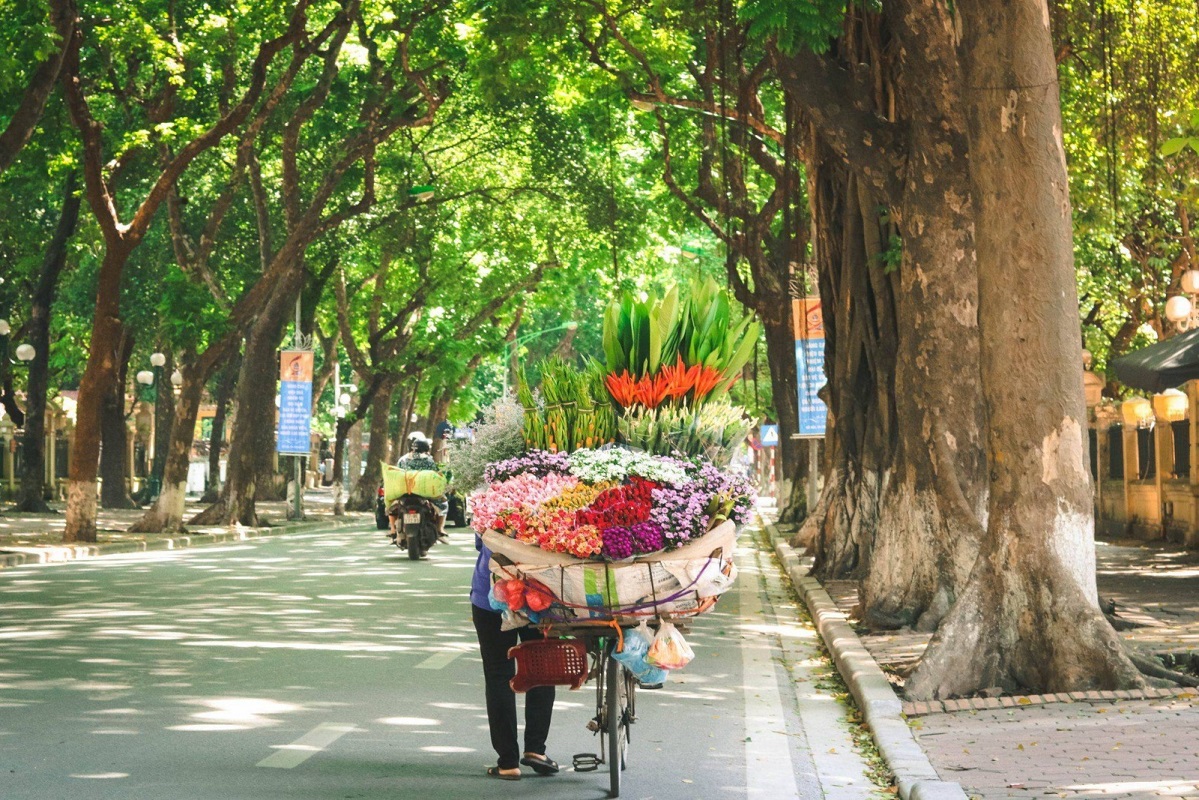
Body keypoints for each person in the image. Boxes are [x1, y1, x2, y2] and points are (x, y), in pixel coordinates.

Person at [471, 535, 558, 780]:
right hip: (543, 594)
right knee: (541, 670)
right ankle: (535, 750)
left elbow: (482, 542)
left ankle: (508, 762)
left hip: (491, 595)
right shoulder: (554, 500)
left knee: (499, 673)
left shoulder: (488, 500)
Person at [391, 432, 449, 541]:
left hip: (405, 491)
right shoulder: (429, 460)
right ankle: (440, 528)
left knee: (391, 506)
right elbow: (435, 474)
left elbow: (397, 473)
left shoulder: (403, 459)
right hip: (424, 492)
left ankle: (393, 530)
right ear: (426, 449)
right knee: (443, 502)